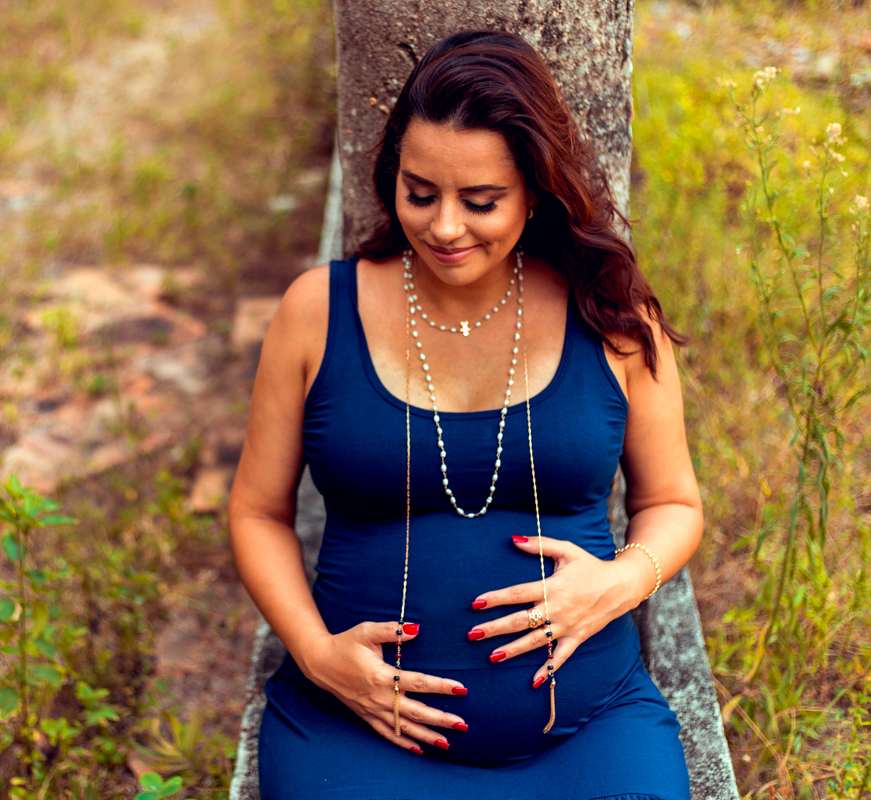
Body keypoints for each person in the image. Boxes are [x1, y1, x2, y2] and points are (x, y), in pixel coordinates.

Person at [228, 30, 702, 799]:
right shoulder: (318, 312)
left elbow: (674, 503)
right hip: (358, 734)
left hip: (585, 732)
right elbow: (255, 512)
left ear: (536, 192)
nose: (445, 227)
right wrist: (316, 655)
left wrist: (620, 582)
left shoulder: (611, 317)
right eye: (421, 193)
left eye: (481, 201)